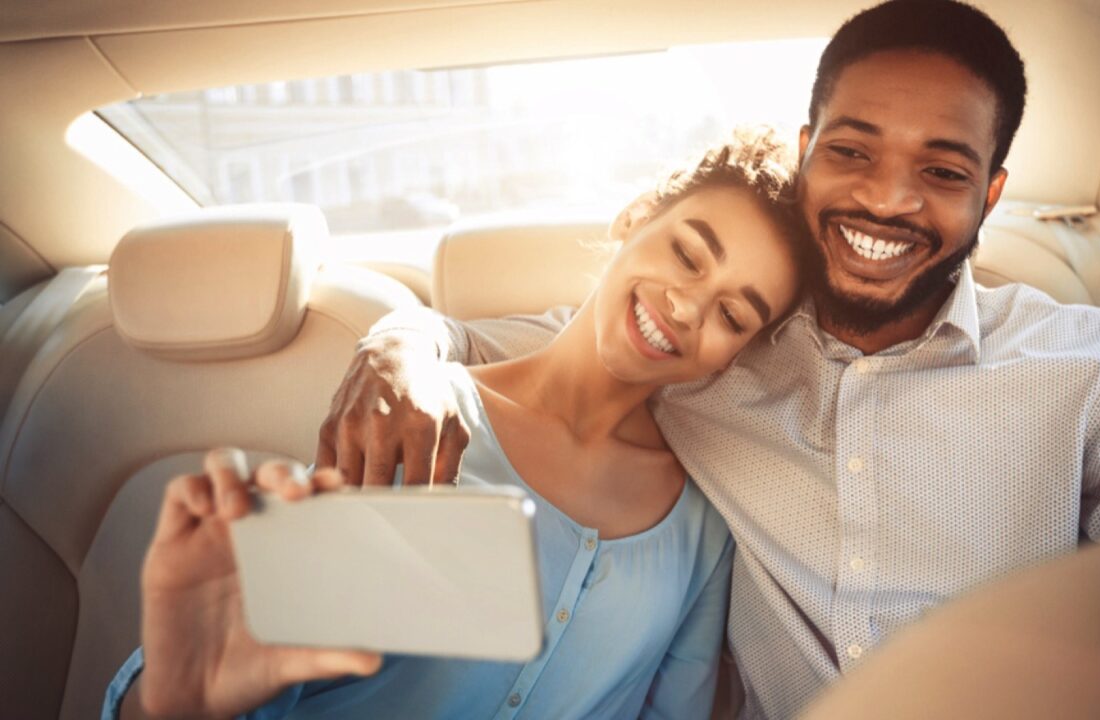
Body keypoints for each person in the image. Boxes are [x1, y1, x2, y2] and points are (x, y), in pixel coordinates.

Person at [315, 1, 1100, 717]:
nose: (887, 198)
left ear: (991, 194)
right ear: (808, 148)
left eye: (942, 171)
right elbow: (552, 356)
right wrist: (402, 341)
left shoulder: (1098, 372)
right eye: (852, 151)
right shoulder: (714, 353)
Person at [103, 128, 807, 719]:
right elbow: (224, 662)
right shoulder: (414, 419)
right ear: (634, 217)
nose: (687, 308)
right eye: (687, 253)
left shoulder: (701, 527)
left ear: (737, 355)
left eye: (734, 315)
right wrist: (171, 704)